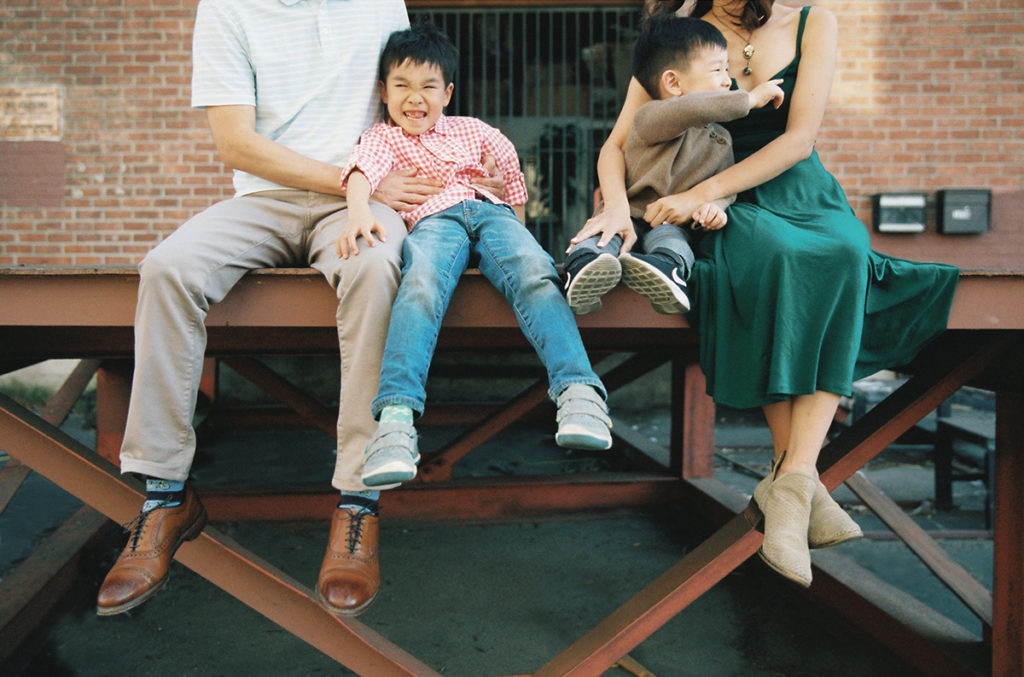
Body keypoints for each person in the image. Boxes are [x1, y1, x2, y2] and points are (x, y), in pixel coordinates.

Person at [94, 0, 505, 620]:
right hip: (271, 198)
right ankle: (164, 495)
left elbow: (412, 101)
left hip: (363, 203)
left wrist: (464, 173)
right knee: (167, 269)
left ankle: (358, 503)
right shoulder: (227, 10)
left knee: (375, 267)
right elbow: (236, 143)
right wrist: (350, 178)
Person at [571, 0, 958, 587]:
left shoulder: (814, 22)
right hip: (717, 202)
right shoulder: (680, 28)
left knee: (845, 252)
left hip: (786, 183)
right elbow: (619, 142)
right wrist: (620, 208)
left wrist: (710, 189)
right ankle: (800, 485)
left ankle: (792, 477)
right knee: (775, 260)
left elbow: (799, 140)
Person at [339, 22, 613, 487]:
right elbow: (362, 171)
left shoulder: (473, 130)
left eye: (428, 86)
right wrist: (358, 212)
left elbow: (512, 177)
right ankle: (395, 422)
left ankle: (580, 393)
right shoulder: (381, 137)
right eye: (402, 86)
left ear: (447, 92)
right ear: (383, 92)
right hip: (433, 222)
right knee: (420, 282)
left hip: (492, 215)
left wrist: (518, 235)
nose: (415, 98)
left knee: (533, 269)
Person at [563, 15, 784, 317]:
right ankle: (583, 270)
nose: (727, 80)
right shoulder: (651, 117)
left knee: (674, 245)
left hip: (669, 225)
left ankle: (666, 273)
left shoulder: (721, 140)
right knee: (600, 240)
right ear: (673, 82)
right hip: (626, 214)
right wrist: (748, 99)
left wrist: (715, 206)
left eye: (728, 70)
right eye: (717, 70)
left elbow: (724, 185)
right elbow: (692, 108)